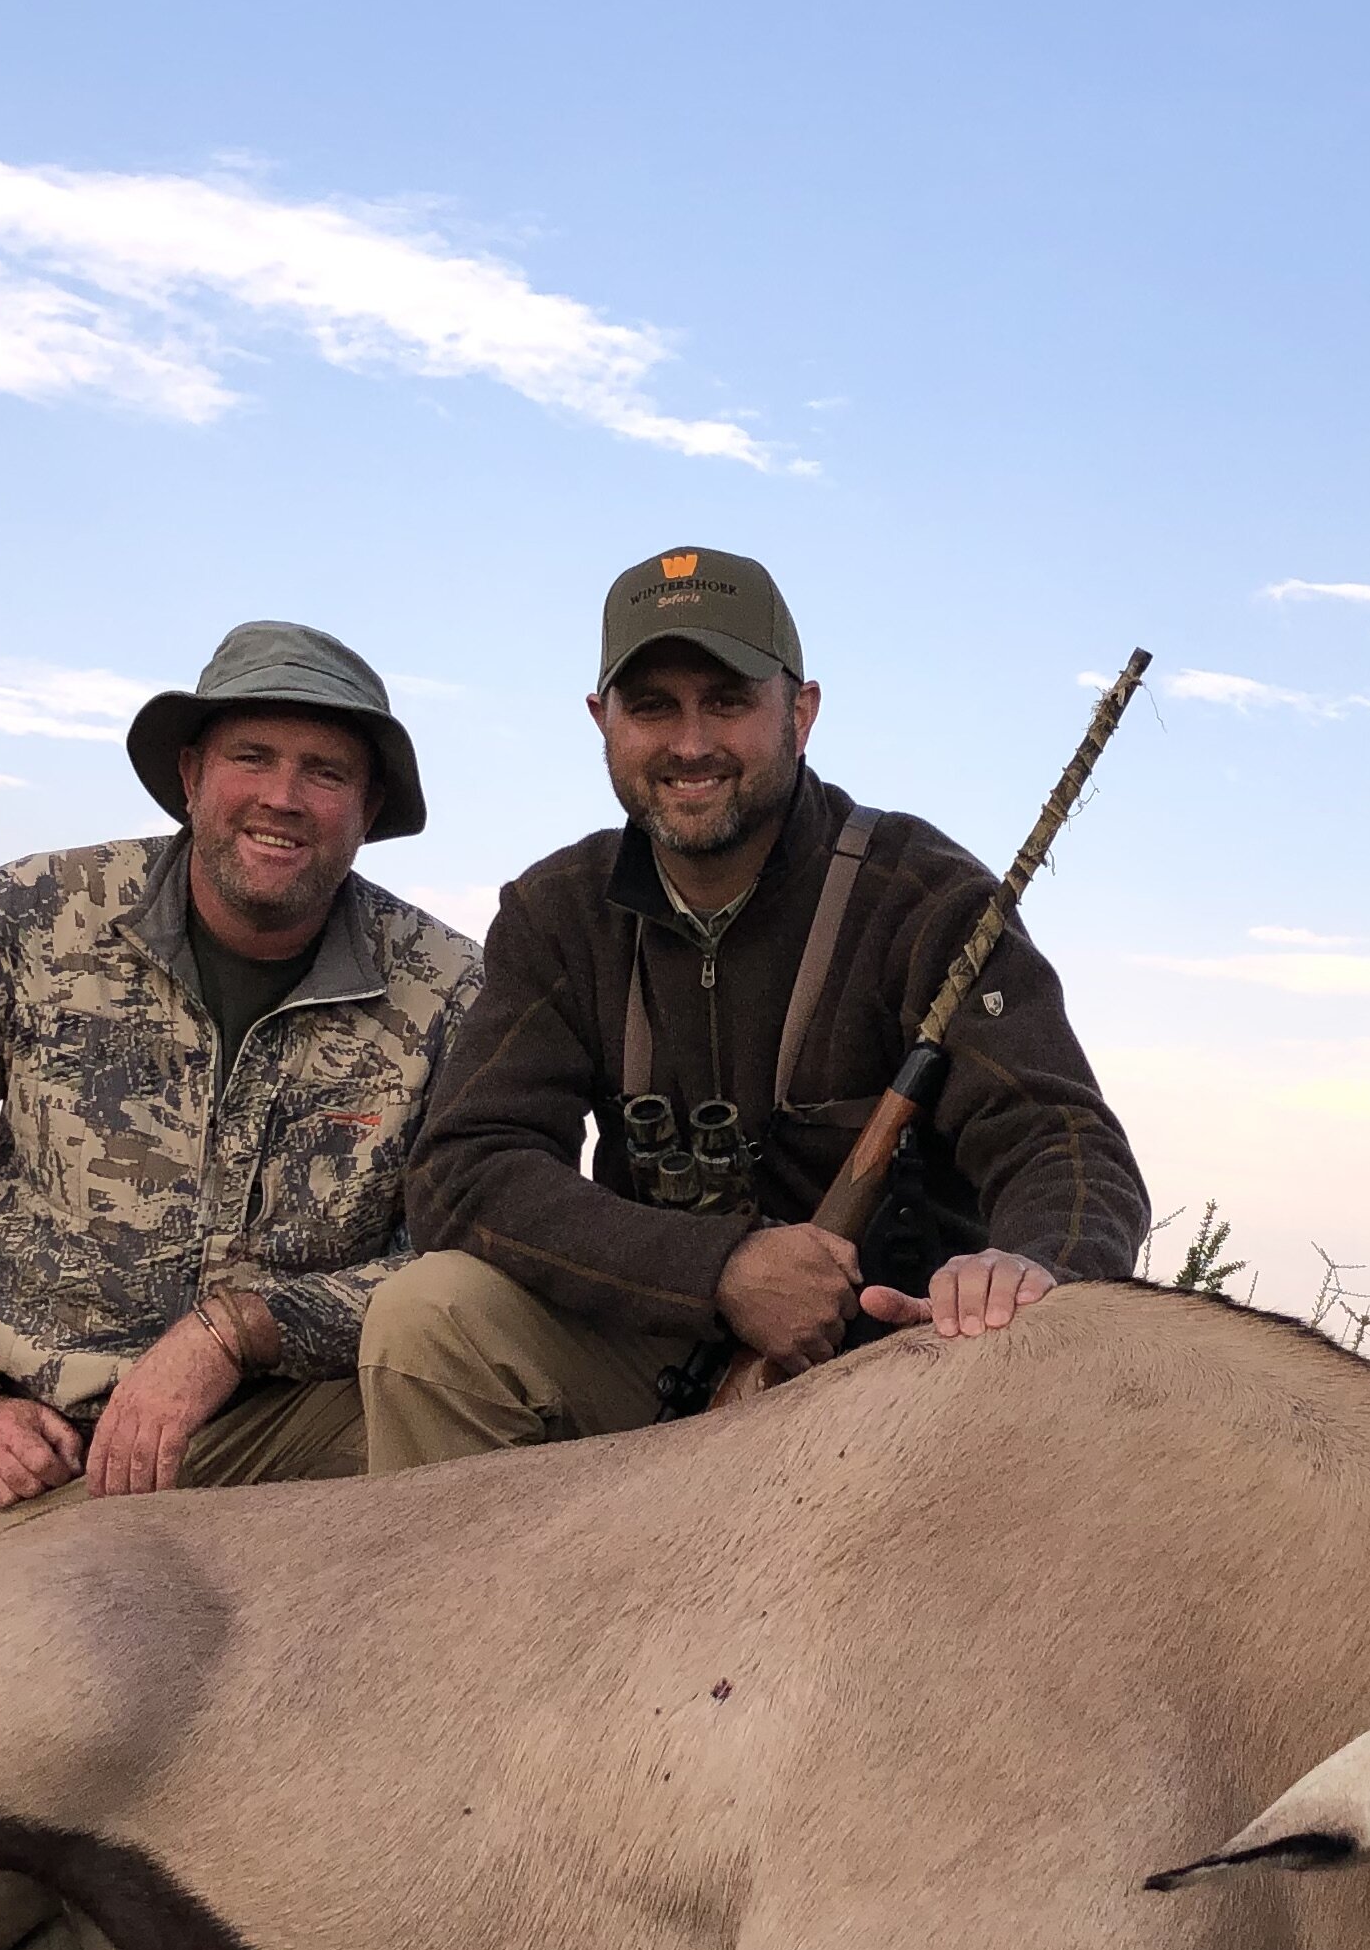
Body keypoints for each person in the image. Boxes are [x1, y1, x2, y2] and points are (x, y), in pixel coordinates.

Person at [363, 545, 1145, 1468]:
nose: (690, 743)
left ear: (800, 713)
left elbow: (1064, 1142)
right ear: (600, 719)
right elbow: (465, 1167)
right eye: (653, 706)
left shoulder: (925, 899)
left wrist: (1028, 1268)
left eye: (728, 700)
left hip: (901, 1375)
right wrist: (718, 1270)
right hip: (657, 1345)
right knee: (425, 1323)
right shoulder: (557, 910)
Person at [0, 621, 479, 1551]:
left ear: (368, 807)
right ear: (192, 776)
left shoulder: (450, 990)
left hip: (310, 1428)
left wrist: (239, 1331)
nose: (282, 798)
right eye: (252, 757)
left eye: (325, 772)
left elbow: (469, 1259)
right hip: (47, 1443)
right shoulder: (31, 919)